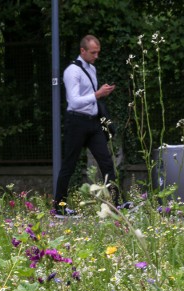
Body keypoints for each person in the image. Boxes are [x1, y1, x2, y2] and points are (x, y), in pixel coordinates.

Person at [53, 35, 130, 217]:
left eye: (98, 52)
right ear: (83, 51)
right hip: (76, 122)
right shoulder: (72, 71)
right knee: (69, 165)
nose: (96, 56)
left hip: (93, 122)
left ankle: (116, 204)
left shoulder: (92, 69)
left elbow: (90, 96)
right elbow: (74, 100)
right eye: (93, 52)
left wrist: (102, 93)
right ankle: (59, 207)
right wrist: (97, 94)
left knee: (106, 163)